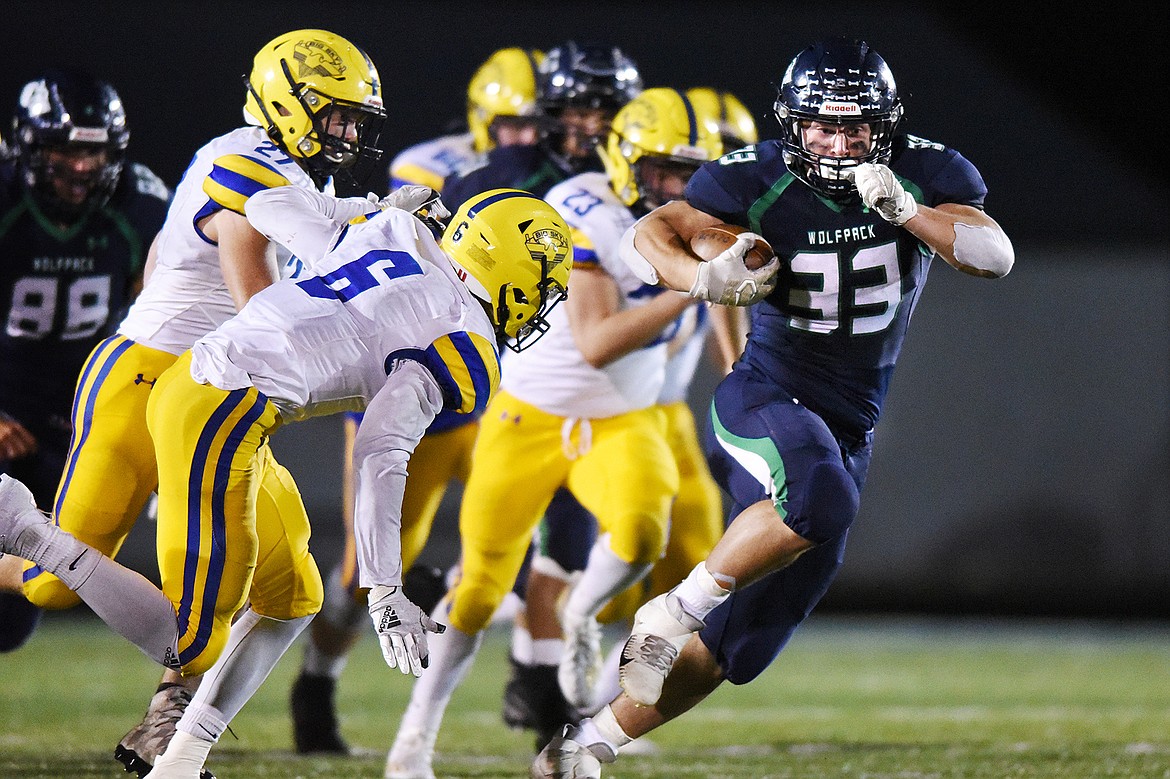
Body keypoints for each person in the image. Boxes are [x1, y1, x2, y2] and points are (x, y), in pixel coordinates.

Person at [531, 37, 1014, 778]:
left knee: (736, 649)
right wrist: (703, 274)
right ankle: (670, 610)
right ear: (794, 124)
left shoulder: (929, 170)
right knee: (822, 497)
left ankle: (583, 746)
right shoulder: (751, 176)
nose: (840, 144)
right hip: (764, 395)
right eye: (824, 127)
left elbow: (993, 256)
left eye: (857, 129)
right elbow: (650, 231)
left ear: (886, 126)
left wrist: (909, 210)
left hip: (850, 423)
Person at [0, 185, 572, 778]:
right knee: (189, 641)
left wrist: (353, 209)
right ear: (507, 269)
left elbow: (267, 206)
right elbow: (380, 450)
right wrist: (384, 588)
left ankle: (180, 761)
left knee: (294, 596)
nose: (541, 304)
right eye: (542, 285)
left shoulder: (395, 232)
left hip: (206, 393)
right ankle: (24, 527)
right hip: (220, 412)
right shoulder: (465, 340)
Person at [4, 29, 386, 778]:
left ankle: (169, 727)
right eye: (335, 114)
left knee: (290, 586)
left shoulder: (308, 180)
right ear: (286, 101)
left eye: (353, 118)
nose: (347, 131)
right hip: (151, 383)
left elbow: (156, 266)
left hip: (215, 394)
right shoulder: (244, 163)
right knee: (52, 583)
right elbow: (263, 313)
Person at [384, 86, 724, 779]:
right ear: (627, 161)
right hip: (528, 415)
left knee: (640, 536)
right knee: (479, 587)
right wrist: (697, 283)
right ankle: (415, 735)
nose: (678, 188)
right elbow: (597, 340)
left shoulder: (698, 215)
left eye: (691, 173)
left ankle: (579, 619)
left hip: (622, 421)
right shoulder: (583, 207)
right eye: (664, 171)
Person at [288, 46, 548, 755]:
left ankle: (541, 683)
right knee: (367, 568)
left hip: (492, 392)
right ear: (484, 118)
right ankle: (318, 679)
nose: (526, 135)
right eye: (513, 122)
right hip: (415, 385)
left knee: (529, 548)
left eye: (538, 122)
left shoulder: (548, 173)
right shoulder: (432, 167)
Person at [0, 70, 169, 652]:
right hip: (7, 404)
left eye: (93, 152)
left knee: (19, 616)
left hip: (81, 416)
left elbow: (162, 318)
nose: (80, 167)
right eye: (65, 150)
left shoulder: (139, 206)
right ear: (30, 146)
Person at [442, 40, 642, 211]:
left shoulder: (640, 178)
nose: (593, 127)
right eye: (581, 115)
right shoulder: (507, 170)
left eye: (607, 117)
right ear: (552, 113)